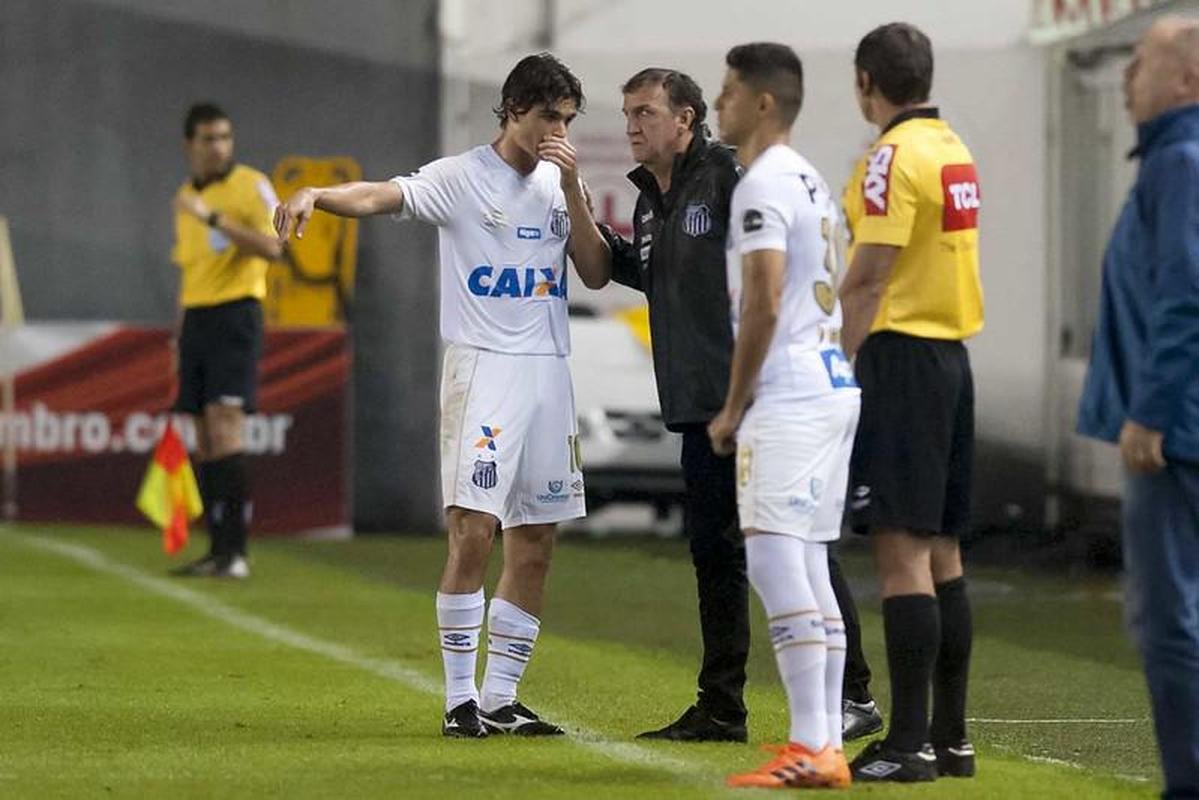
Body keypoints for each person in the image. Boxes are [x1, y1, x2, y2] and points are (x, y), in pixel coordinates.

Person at [274, 53, 610, 739]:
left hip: (548, 369)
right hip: (483, 368)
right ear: (514, 110)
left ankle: (501, 698)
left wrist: (574, 188)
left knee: (536, 539)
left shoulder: (557, 183)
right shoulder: (461, 178)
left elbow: (597, 272)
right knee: (472, 532)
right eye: (549, 116)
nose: (558, 131)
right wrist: (317, 196)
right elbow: (381, 195)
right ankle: (459, 700)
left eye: (568, 120)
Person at [593, 66, 880, 745]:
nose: (632, 125)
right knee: (717, 555)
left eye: (645, 113)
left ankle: (851, 695)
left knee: (792, 548)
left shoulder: (731, 179)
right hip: (699, 402)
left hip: (753, 397)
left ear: (686, 119)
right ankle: (722, 704)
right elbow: (644, 274)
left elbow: (765, 282)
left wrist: (741, 394)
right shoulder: (646, 197)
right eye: (627, 113)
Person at [707, 42, 860, 790]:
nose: (716, 104)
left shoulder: (761, 182)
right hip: (832, 379)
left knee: (772, 557)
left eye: (727, 91)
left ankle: (809, 744)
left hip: (792, 389)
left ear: (763, 102)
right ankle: (824, 743)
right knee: (806, 563)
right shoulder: (812, 178)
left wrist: (734, 404)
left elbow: (763, 300)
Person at [837, 23, 984, 782]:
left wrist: (838, 363)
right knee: (942, 553)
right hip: (952, 359)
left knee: (899, 555)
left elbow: (867, 273)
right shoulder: (951, 148)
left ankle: (906, 743)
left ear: (867, 82)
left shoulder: (889, 157)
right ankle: (951, 740)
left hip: (899, 357)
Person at [1077, 17, 1199, 798]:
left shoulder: (1178, 163)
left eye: (1142, 63)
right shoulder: (1169, 162)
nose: (1125, 78)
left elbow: (1182, 298)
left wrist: (1149, 412)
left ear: (1186, 81)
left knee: (1167, 622)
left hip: (1175, 435)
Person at [169, 102, 283, 580]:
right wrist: (178, 337)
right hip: (196, 319)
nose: (218, 147)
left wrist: (215, 219)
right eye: (209, 139)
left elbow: (276, 246)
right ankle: (217, 549)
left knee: (226, 424)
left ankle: (236, 552)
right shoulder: (184, 197)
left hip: (236, 314)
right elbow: (191, 270)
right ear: (190, 145)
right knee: (201, 435)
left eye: (224, 137)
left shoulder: (249, 185)